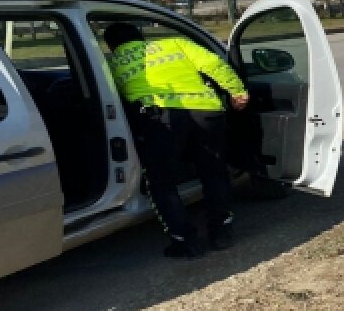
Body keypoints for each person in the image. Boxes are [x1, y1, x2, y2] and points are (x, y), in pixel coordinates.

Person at [103, 22, 250, 258]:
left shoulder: (111, 65)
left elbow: (109, 100)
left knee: (160, 181)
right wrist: (237, 91)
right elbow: (213, 64)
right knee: (214, 172)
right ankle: (221, 232)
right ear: (142, 36)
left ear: (111, 46)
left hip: (161, 120)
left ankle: (186, 240)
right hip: (207, 112)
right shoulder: (174, 44)